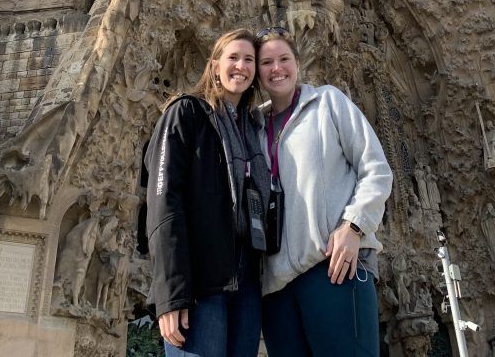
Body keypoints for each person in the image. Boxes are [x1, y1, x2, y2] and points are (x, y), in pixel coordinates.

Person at [255, 26, 393, 357]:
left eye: (284, 59)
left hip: (333, 267)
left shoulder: (327, 101)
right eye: (267, 62)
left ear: (298, 63)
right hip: (276, 288)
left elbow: (375, 169)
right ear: (256, 72)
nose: (277, 69)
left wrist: (354, 226)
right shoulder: (253, 126)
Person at [145, 29, 270, 357]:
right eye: (233, 57)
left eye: (249, 60)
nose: (240, 66)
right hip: (201, 281)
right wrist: (171, 295)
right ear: (215, 66)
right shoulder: (186, 114)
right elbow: (163, 204)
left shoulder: (253, 131)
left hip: (246, 281)